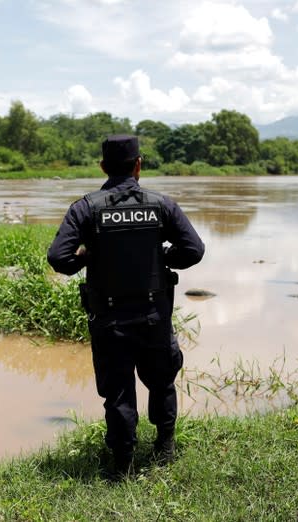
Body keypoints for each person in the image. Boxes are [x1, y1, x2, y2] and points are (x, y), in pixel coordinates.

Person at [47, 134, 205, 477]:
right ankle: (164, 450)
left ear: (103, 166)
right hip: (154, 316)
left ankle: (122, 467)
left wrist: (87, 257)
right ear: (138, 165)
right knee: (162, 383)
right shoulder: (161, 205)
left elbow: (59, 258)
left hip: (109, 319)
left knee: (118, 393)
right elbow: (194, 250)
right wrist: (163, 256)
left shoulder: (86, 208)